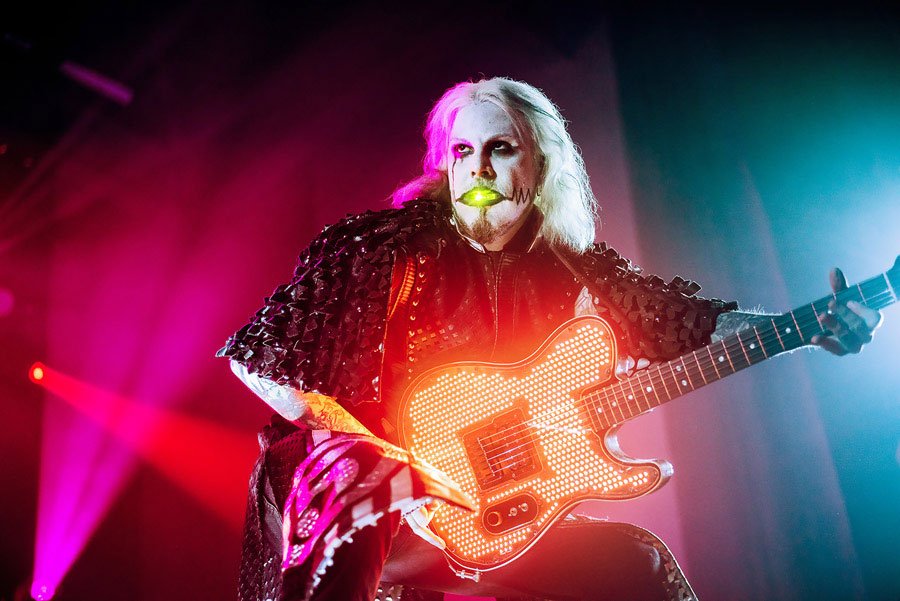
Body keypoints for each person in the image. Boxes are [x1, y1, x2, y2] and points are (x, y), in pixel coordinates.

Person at [218, 77, 883, 601]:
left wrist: (805, 328)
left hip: (477, 513)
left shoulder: (575, 269)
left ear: (538, 165)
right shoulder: (382, 244)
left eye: (500, 149)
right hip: (341, 501)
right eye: (462, 152)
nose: (478, 169)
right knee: (363, 467)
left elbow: (689, 322)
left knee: (640, 566)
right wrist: (392, 460)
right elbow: (258, 361)